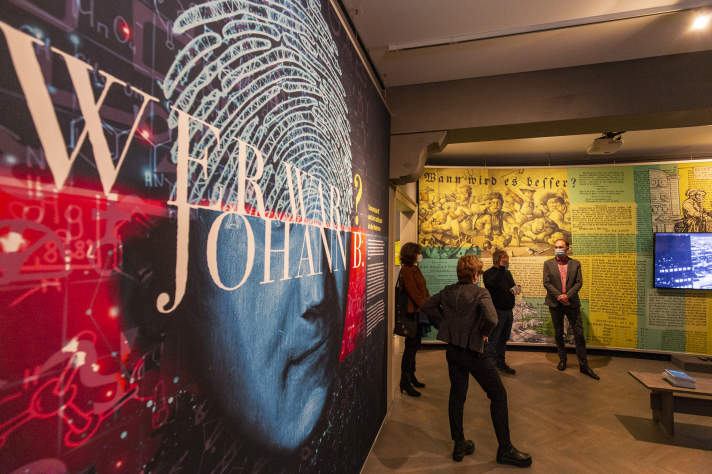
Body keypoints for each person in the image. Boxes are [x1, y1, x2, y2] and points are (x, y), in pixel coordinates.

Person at [420, 255, 532, 467]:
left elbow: (427, 306)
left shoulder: (448, 291)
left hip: (453, 351)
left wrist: (444, 325)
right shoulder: (481, 293)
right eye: (479, 273)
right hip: (474, 353)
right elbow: (492, 318)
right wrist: (483, 333)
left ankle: (459, 443)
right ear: (475, 275)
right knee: (498, 395)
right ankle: (505, 449)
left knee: (457, 395)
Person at [543, 239, 599, 380]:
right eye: (556, 247)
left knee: (579, 333)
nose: (558, 249)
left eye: (561, 247)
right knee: (558, 332)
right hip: (555, 303)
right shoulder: (548, 264)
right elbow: (546, 282)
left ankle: (583, 365)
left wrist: (567, 296)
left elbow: (579, 282)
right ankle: (563, 359)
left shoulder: (575, 264)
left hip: (571, 302)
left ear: (567, 248)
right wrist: (560, 297)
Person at [398, 242, 430, 397]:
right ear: (412, 254)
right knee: (410, 349)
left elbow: (422, 290)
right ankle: (405, 381)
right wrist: (426, 305)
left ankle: (412, 376)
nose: (420, 255)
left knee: (414, 346)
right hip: (412, 314)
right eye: (418, 252)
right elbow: (414, 293)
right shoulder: (407, 270)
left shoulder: (414, 269)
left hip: (417, 312)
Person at [483, 249, 519, 374]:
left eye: (507, 257)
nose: (507, 259)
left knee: (503, 338)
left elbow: (512, 287)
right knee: (494, 339)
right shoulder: (488, 274)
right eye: (505, 257)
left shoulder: (507, 273)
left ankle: (501, 363)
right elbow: (492, 285)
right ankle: (491, 366)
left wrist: (515, 289)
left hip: (508, 311)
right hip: (497, 311)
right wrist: (500, 268)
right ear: (498, 259)